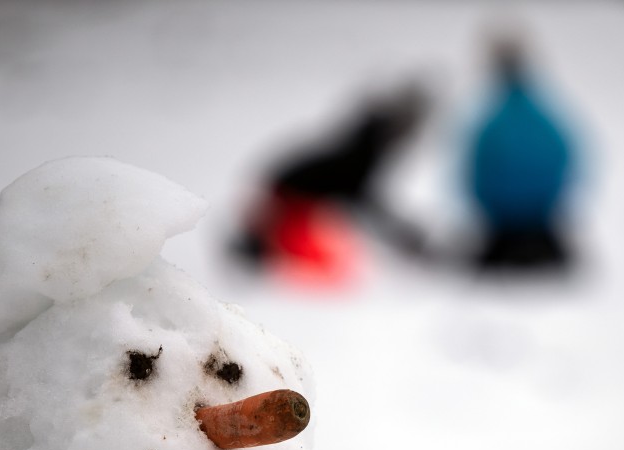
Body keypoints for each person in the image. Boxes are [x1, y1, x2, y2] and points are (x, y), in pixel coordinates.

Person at [231, 82, 430, 285]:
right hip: (309, 187)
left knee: (359, 173)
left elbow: (323, 258)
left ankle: (392, 112)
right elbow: (326, 262)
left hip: (311, 185)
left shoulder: (275, 230)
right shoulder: (270, 221)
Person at [465, 33, 578, 272]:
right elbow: (567, 162)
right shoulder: (544, 121)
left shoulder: (493, 125)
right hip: (543, 224)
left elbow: (475, 177)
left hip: (503, 230)